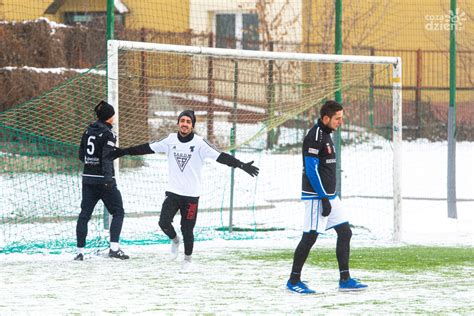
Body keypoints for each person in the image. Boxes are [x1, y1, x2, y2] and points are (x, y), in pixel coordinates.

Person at [109, 110, 259, 268]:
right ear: (178, 123)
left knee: (187, 229)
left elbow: (221, 156)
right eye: (182, 120)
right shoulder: (170, 140)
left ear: (192, 125)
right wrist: (123, 152)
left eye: (188, 121)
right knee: (163, 222)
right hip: (173, 192)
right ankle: (175, 240)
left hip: (191, 195)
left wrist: (241, 165)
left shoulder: (200, 143)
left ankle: (187, 260)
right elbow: (147, 148)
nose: (185, 124)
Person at [286, 100, 368, 294]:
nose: (341, 122)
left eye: (342, 118)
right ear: (326, 118)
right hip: (316, 197)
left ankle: (345, 279)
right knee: (310, 236)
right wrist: (323, 198)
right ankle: (293, 280)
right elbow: (312, 171)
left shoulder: (327, 134)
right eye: (337, 118)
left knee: (345, 232)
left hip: (330, 196)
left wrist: (330, 196)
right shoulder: (314, 136)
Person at [74, 100, 129, 261]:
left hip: (88, 179)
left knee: (84, 215)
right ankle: (114, 249)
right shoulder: (109, 134)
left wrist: (92, 165)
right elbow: (106, 158)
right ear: (109, 117)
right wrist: (107, 180)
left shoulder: (87, 131)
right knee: (118, 211)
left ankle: (79, 252)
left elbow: (81, 156)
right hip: (105, 181)